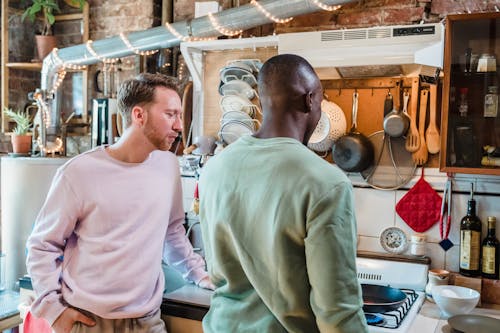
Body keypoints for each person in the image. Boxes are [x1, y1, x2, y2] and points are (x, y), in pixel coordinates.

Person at [26, 73, 214, 333]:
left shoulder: (168, 164)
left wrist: (199, 274)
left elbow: (171, 232)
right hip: (89, 321)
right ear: (139, 115)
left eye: (179, 115)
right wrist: (54, 311)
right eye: (170, 114)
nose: (179, 126)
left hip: (147, 320)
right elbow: (42, 246)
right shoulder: (79, 173)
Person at [198, 54, 368, 333]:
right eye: (320, 101)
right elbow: (337, 309)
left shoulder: (214, 170)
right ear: (309, 100)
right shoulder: (326, 182)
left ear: (264, 101)